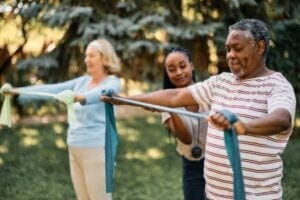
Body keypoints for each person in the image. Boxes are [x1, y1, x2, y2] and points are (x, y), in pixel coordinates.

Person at [102, 19, 296, 199]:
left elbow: (282, 119)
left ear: (260, 46)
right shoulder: (221, 81)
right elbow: (175, 96)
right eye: (228, 49)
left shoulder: (277, 85)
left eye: (237, 48)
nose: (230, 56)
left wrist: (243, 126)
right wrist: (125, 100)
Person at [14, 38, 121, 200]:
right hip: (74, 147)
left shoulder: (113, 82)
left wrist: (81, 97)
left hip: (97, 149)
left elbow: (103, 93)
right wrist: (18, 91)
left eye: (91, 56)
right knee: (82, 197)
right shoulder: (82, 82)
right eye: (86, 56)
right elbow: (52, 89)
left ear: (104, 58)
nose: (86, 60)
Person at [161, 46, 207, 200]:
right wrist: (171, 107)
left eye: (182, 66)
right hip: (192, 168)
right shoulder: (164, 103)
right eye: (172, 69)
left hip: (218, 161)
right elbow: (186, 139)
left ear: (191, 65)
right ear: (167, 73)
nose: (179, 73)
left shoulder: (208, 91)